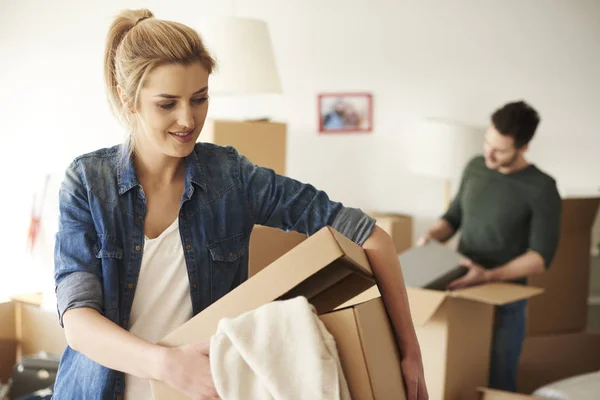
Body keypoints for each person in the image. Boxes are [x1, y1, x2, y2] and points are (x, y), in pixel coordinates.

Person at [51, 9, 428, 400]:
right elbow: (78, 322)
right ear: (130, 101)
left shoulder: (231, 178)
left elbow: (372, 238)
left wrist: (410, 352)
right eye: (167, 104)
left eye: (199, 99)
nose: (187, 119)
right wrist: (167, 364)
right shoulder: (88, 183)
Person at [417, 100, 562, 392]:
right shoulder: (475, 167)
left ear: (523, 148)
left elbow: (539, 258)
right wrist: (431, 236)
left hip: (503, 299)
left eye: (500, 150)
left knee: (499, 380)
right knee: (456, 375)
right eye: (487, 142)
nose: (489, 153)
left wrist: (487, 275)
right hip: (458, 288)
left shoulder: (543, 188)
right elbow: (453, 218)